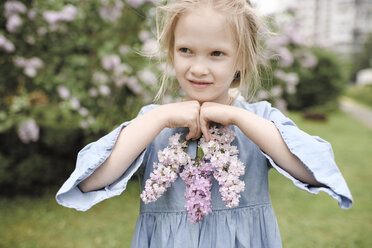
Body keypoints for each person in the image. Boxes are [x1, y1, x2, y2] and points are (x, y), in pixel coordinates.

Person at [56, 0, 353, 247]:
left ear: (242, 60)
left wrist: (238, 117)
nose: (198, 68)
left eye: (217, 54)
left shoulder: (258, 119)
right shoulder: (153, 122)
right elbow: (90, 180)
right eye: (186, 50)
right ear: (171, 52)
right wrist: (159, 118)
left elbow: (316, 171)